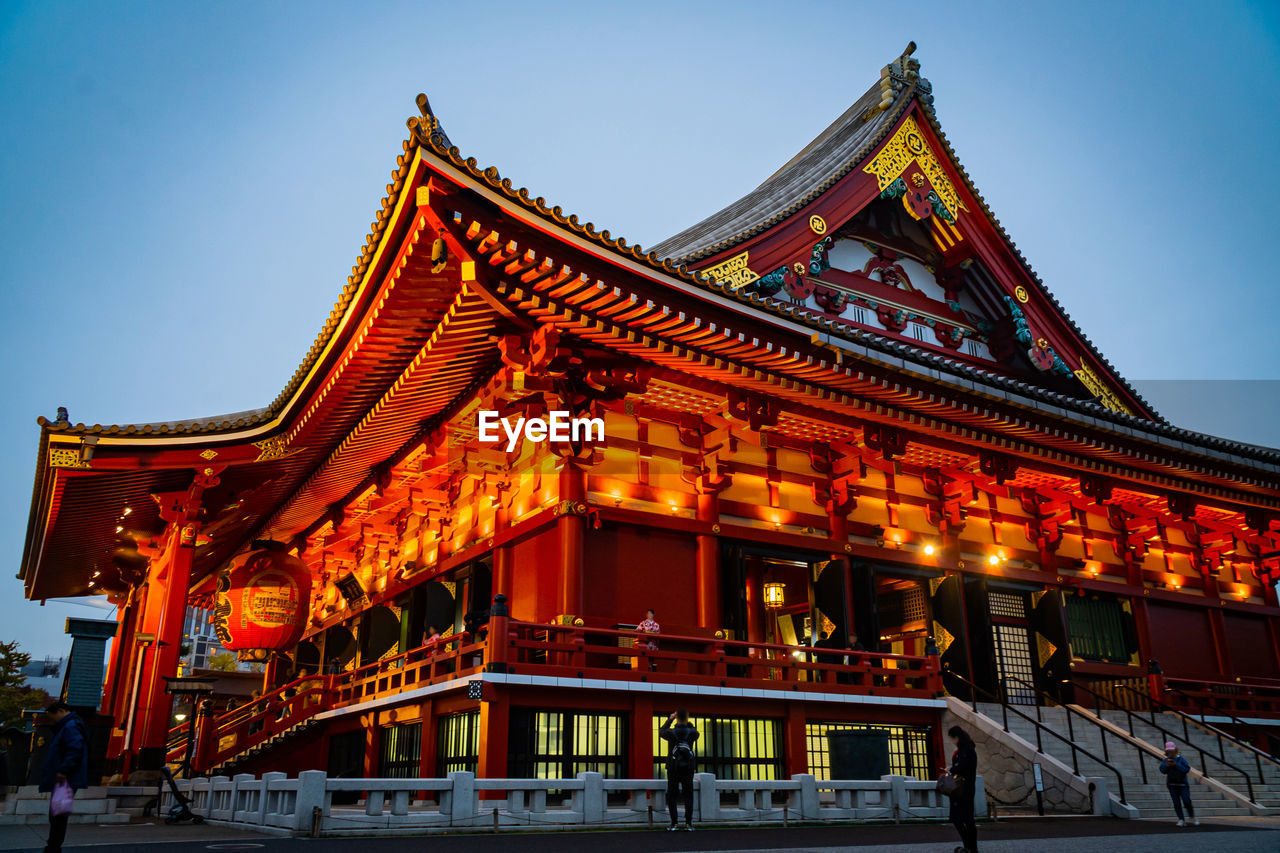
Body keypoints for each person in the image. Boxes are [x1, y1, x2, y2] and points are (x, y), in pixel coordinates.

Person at [39, 701, 89, 853]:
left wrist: (64, 770)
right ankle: (53, 846)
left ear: (60, 711)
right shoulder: (72, 725)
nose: (53, 720)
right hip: (67, 776)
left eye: (52, 716)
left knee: (58, 815)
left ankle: (53, 847)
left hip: (65, 777)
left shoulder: (70, 726)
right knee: (58, 814)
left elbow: (74, 749)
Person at [659, 709, 699, 831]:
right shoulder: (692, 733)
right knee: (688, 795)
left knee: (672, 795)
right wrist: (688, 722)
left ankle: (674, 824)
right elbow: (696, 732)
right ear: (687, 718)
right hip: (688, 768)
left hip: (673, 767)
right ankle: (688, 824)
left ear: (676, 717)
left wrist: (670, 719)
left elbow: (661, 731)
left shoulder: (671, 733)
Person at [946, 724, 978, 853]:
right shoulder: (968, 749)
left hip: (962, 788)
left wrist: (951, 769)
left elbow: (961, 767)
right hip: (965, 787)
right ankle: (970, 847)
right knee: (966, 818)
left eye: (952, 739)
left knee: (960, 818)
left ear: (956, 737)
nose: (952, 742)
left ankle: (969, 847)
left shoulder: (965, 750)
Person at [1160, 741, 1199, 827]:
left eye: (1172, 750)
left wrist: (1176, 765)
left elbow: (1186, 769)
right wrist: (1167, 765)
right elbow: (1162, 771)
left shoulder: (1181, 759)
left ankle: (1191, 815)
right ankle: (1181, 819)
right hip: (1172, 785)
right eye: (1168, 751)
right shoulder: (1165, 760)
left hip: (1183, 785)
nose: (1170, 752)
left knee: (1186, 801)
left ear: (1175, 750)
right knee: (1176, 803)